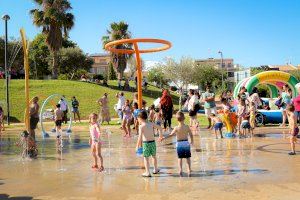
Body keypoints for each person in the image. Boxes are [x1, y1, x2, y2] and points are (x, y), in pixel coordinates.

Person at [161, 111, 194, 176]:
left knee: (180, 158)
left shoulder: (176, 128)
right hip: (186, 142)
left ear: (176, 120)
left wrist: (164, 138)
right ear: (184, 118)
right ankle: (189, 169)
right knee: (188, 157)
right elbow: (191, 134)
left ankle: (180, 170)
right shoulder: (187, 127)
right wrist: (192, 141)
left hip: (179, 143)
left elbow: (171, 135)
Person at [135, 111, 163, 177]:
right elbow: (160, 128)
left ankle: (147, 172)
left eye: (138, 119)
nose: (138, 120)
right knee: (154, 156)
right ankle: (155, 169)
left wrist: (137, 146)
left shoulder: (141, 126)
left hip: (146, 144)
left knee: (146, 158)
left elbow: (140, 137)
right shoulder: (151, 124)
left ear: (140, 118)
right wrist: (160, 136)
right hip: (153, 143)